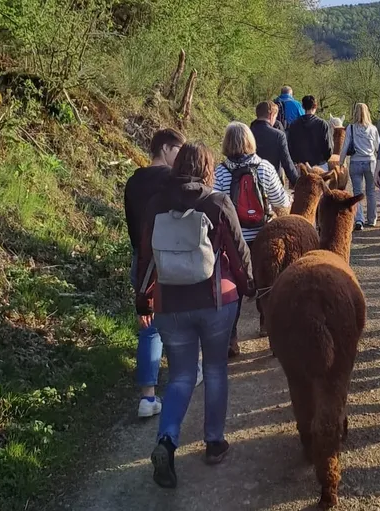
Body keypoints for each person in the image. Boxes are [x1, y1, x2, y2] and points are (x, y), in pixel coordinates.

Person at [135, 142, 255, 488]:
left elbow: (146, 257)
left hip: (171, 304)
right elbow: (238, 249)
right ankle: (214, 442)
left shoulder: (156, 205)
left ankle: (167, 441)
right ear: (207, 169)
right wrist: (249, 286)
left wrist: (143, 301)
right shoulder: (216, 202)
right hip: (216, 301)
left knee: (181, 377)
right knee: (215, 369)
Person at [123, 128, 200, 418]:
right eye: (178, 151)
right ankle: (188, 373)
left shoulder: (132, 181)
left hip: (140, 262)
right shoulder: (171, 181)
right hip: (170, 259)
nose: (181, 158)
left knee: (149, 328)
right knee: (184, 317)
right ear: (166, 149)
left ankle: (147, 397)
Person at [214, 122, 291, 354]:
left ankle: (230, 339)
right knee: (267, 284)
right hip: (262, 238)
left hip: (232, 241)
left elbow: (214, 205)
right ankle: (268, 327)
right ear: (250, 141)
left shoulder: (220, 172)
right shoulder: (265, 168)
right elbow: (282, 203)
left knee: (234, 289)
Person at [340, 102, 380, 231]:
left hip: (355, 162)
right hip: (370, 162)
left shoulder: (351, 128)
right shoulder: (373, 128)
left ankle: (359, 220)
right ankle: (372, 218)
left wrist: (340, 163)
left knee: (357, 192)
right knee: (370, 192)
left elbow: (345, 146)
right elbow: (378, 147)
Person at [251, 101, 299, 187]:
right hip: (272, 182)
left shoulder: (247, 133)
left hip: (249, 181)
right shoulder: (279, 135)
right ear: (271, 115)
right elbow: (286, 162)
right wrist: (297, 183)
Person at [287, 95, 334, 170]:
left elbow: (290, 146)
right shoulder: (322, 124)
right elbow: (328, 147)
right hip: (318, 166)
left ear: (302, 106)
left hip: (300, 166)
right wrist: (325, 159)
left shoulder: (294, 124)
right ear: (315, 106)